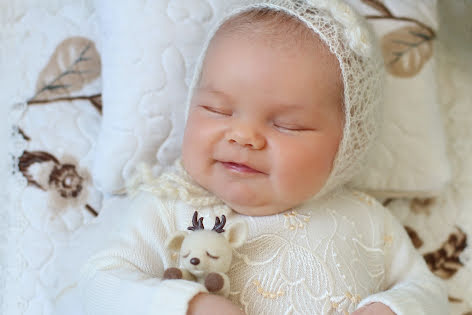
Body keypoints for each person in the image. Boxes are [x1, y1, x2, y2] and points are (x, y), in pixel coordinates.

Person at [79, 0, 448, 314]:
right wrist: (187, 305)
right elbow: (94, 286)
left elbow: (429, 293)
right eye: (218, 109)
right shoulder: (169, 207)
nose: (243, 136)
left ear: (349, 143)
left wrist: (391, 307)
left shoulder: (366, 219)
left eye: (287, 125)